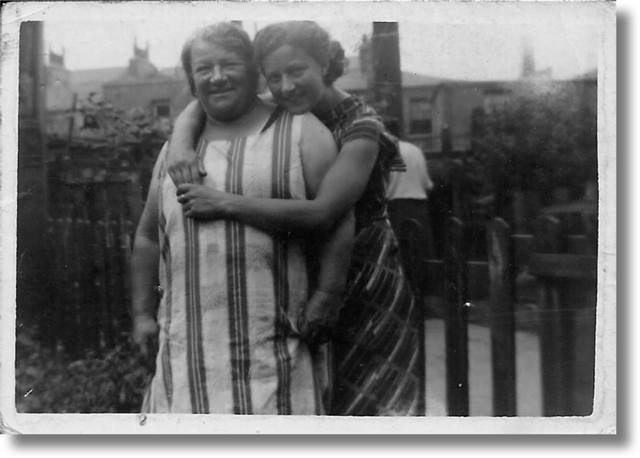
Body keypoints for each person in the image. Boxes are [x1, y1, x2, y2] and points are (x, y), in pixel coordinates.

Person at [168, 21, 424, 416]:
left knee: (372, 397)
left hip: (361, 271)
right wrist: (182, 139)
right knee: (319, 391)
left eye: (297, 71)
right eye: (274, 77)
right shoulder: (289, 111)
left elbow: (325, 213)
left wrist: (223, 202)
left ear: (324, 64)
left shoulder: (361, 128)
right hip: (306, 267)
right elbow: (197, 102)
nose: (285, 86)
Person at [130, 22, 354, 414]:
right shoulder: (174, 151)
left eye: (229, 64)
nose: (217, 77)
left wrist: (327, 296)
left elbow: (338, 218)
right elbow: (149, 237)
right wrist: (141, 314)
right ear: (191, 79)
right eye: (204, 69)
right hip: (186, 358)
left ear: (253, 71)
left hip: (275, 349)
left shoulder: (301, 131)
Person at [385, 124, 435, 296]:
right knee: (421, 255)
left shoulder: (383, 151)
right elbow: (427, 184)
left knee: (398, 258)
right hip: (419, 206)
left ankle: (403, 299)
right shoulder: (414, 150)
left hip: (395, 207)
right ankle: (424, 299)